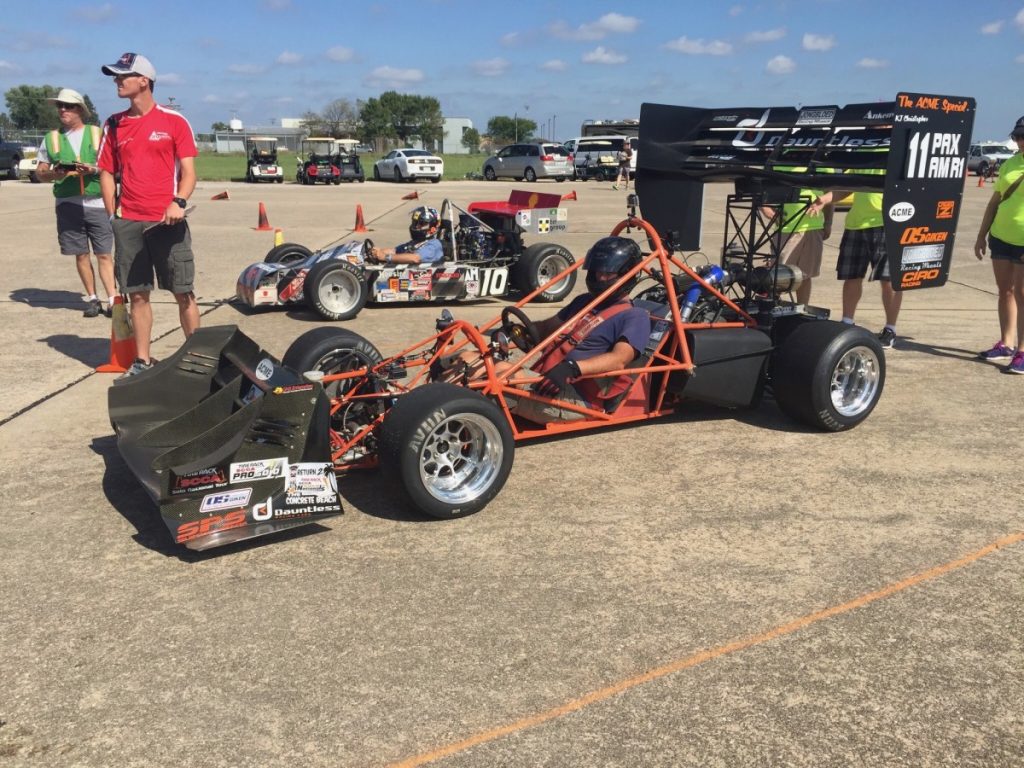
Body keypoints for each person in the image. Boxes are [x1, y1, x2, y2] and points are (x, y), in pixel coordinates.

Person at [96, 52, 198, 377]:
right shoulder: (113, 124)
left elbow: (189, 172)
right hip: (130, 222)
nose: (117, 81)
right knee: (137, 294)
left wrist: (178, 202)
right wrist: (115, 216)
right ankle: (142, 360)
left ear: (144, 80)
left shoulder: (174, 121)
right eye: (115, 76)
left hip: (167, 222)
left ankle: (197, 358)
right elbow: (106, 173)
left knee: (183, 291)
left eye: (123, 76)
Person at [496, 236, 651, 422]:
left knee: (496, 374)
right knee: (471, 359)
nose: (600, 278)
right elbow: (546, 328)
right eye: (596, 272)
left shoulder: (635, 316)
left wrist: (572, 368)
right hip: (544, 381)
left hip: (577, 397)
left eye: (608, 274)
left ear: (627, 274)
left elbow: (619, 359)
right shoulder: (583, 302)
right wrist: (514, 330)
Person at [35, 88, 116, 318]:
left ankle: (113, 299)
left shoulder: (97, 134)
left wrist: (94, 170)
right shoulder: (51, 138)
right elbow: (41, 172)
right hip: (68, 203)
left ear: (80, 109)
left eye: (68, 106)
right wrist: (55, 174)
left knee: (104, 253)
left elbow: (114, 166)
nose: (63, 110)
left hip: (98, 201)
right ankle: (92, 299)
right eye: (60, 106)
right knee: (80, 254)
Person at [809, 171, 900, 348]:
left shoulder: (895, 155)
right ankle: (847, 322)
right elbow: (847, 187)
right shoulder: (865, 154)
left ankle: (890, 329)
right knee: (851, 276)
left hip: (887, 223)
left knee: (888, 279)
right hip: (855, 224)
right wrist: (824, 200)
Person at [974, 115, 1024, 374]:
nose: (1021, 141)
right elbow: (994, 202)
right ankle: (1006, 342)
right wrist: (982, 235)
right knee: (1004, 290)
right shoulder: (1011, 164)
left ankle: (1023, 351)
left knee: (1023, 294)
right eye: (1018, 137)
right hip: (1001, 237)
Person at [762, 171, 832, 305]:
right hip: (786, 227)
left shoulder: (820, 163)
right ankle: (772, 307)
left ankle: (802, 309)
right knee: (778, 274)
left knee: (806, 275)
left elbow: (830, 193)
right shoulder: (780, 161)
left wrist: (828, 222)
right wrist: (765, 208)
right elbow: (761, 187)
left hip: (813, 227)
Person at [366, 206, 444, 266]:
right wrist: (377, 253)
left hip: (424, 279)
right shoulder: (417, 242)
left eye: (421, 224)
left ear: (433, 228)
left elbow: (415, 258)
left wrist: (385, 257)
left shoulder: (434, 244)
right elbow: (394, 250)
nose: (417, 227)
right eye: (415, 223)